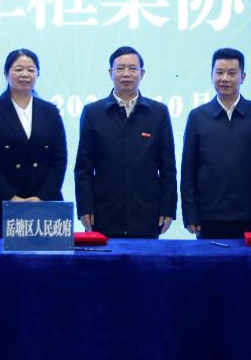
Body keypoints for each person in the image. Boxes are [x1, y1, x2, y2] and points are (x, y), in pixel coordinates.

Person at [74, 46, 176, 238]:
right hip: (104, 212)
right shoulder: (93, 112)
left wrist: (168, 208)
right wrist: (84, 207)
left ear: (142, 73)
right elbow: (83, 167)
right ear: (110, 73)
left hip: (147, 212)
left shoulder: (158, 112)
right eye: (120, 68)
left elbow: (168, 167)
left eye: (132, 68)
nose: (126, 74)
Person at [181, 48, 251, 239]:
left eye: (232, 73)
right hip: (208, 217)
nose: (225, 78)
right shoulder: (197, 116)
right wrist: (190, 213)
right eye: (219, 72)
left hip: (250, 216)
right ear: (211, 76)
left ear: (243, 77)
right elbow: (188, 170)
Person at [0, 49, 67, 239]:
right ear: (6, 73)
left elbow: (59, 159)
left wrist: (41, 198)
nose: (25, 74)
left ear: (38, 74)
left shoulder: (50, 111)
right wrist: (12, 198)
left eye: (31, 70)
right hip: (0, 205)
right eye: (18, 69)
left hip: (45, 204)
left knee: (47, 258)